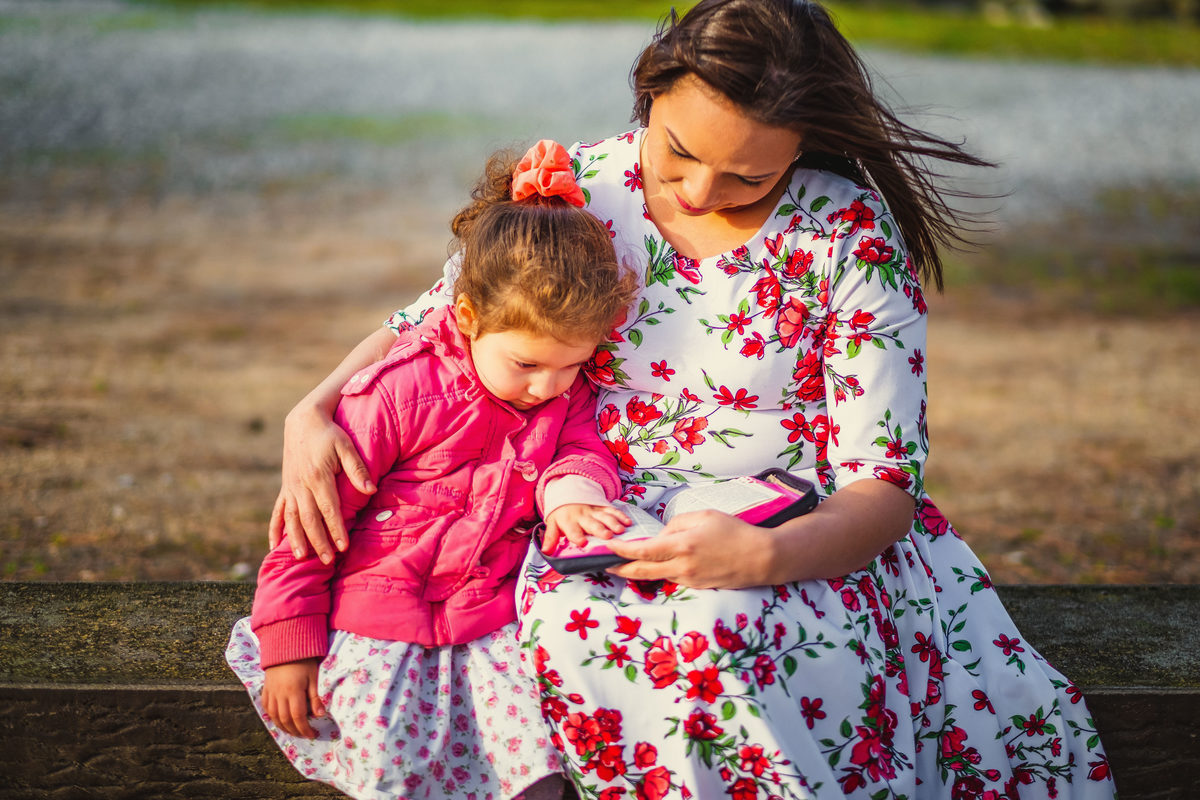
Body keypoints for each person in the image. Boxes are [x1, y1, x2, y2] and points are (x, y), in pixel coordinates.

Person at [268, 2, 1119, 798]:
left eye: (749, 176)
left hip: (804, 527)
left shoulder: (846, 234)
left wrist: (766, 560)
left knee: (730, 632)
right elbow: (438, 323)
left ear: (801, 147)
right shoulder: (581, 189)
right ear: (651, 90)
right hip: (588, 510)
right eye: (678, 153)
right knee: (575, 632)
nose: (703, 192)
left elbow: (883, 485)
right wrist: (313, 407)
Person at [227, 139, 640, 800]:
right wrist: (290, 646)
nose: (546, 386)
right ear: (468, 317)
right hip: (378, 622)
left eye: (571, 365)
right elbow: (308, 528)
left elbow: (581, 448)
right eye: (527, 365)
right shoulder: (395, 394)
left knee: (537, 770)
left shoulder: (564, 394)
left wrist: (570, 495)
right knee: (395, 770)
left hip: (488, 623)